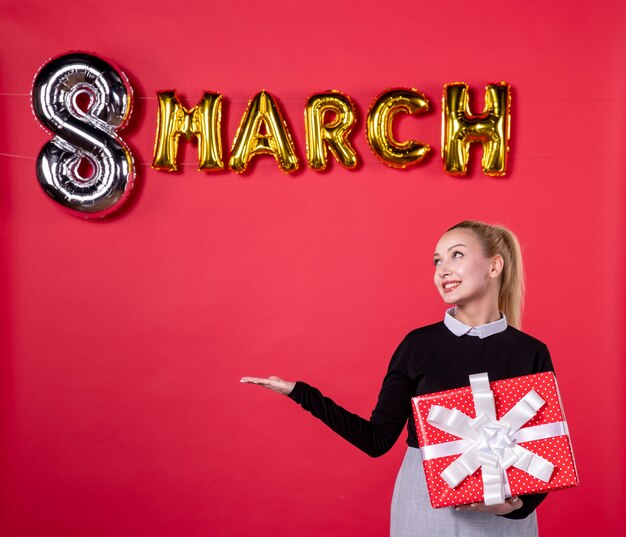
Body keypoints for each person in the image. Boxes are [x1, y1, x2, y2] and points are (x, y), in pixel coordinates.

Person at [241, 220, 554, 537]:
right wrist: (301, 393)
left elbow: (547, 451)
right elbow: (377, 440)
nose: (442, 270)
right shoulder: (418, 346)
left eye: (456, 255)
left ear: (494, 265)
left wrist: (515, 507)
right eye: (437, 261)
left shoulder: (530, 352)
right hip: (425, 506)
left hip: (503, 512)